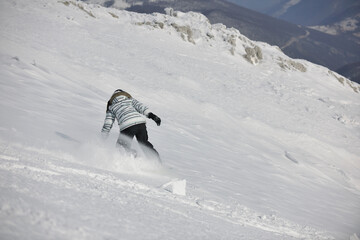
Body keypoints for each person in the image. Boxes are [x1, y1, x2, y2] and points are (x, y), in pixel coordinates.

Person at [101, 89, 161, 161]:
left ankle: (133, 160)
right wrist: (152, 116)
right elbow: (141, 107)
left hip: (127, 126)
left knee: (121, 147)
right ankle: (157, 162)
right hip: (140, 124)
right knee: (144, 143)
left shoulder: (111, 106)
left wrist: (102, 137)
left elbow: (108, 123)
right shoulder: (130, 100)